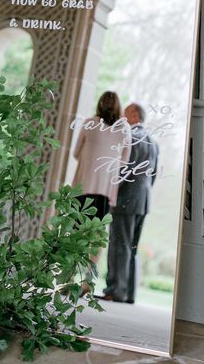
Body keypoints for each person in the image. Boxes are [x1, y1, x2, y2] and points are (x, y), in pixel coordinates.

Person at [102, 102, 159, 303]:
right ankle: (128, 294)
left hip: (126, 198)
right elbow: (153, 175)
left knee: (119, 245)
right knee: (132, 247)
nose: (122, 118)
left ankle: (116, 290)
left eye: (125, 114)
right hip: (143, 201)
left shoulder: (132, 137)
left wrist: (112, 192)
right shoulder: (153, 141)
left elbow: (125, 170)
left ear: (134, 116)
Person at [72, 91, 132, 225]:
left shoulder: (90, 123)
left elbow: (76, 153)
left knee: (75, 231)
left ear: (100, 104)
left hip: (83, 186)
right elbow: (124, 161)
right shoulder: (125, 129)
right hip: (106, 190)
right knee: (94, 234)